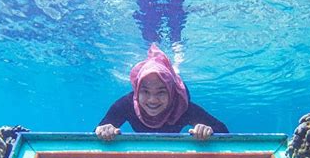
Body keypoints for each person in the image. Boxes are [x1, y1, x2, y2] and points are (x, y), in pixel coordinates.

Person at [96, 44, 228, 141]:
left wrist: (207, 131)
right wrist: (104, 131)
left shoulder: (181, 106)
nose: (152, 100)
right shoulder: (125, 105)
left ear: (171, 92)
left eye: (161, 92)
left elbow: (224, 133)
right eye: (145, 91)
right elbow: (96, 134)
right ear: (137, 91)